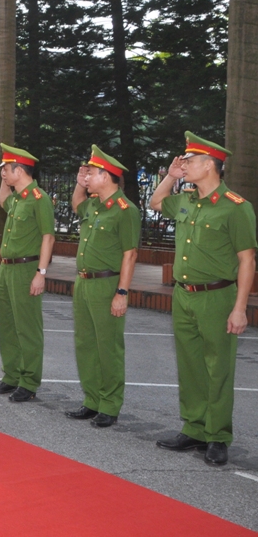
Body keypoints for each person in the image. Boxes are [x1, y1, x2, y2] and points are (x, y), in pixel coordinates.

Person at [151, 132, 256, 466]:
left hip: (217, 296)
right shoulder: (186, 200)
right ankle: (194, 428)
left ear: (210, 165)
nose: (185, 164)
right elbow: (155, 203)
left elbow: (247, 260)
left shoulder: (236, 207)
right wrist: (170, 175)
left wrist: (240, 307)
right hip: (184, 295)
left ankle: (218, 435)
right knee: (191, 364)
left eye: (190, 160)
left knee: (218, 368)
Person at [64, 145, 140, 429]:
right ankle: (92, 400)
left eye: (92, 174)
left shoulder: (125, 210)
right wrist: (78, 183)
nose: (87, 178)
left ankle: (109, 405)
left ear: (107, 177)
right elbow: (75, 204)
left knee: (107, 346)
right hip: (83, 282)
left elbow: (129, 254)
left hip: (107, 283)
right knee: (86, 344)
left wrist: (122, 292)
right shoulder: (94, 204)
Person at [0, 144, 55, 402]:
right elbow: (2, 200)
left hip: (27, 268)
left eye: (6, 169)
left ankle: (29, 381)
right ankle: (11, 376)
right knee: (8, 326)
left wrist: (41, 272)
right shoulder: (17, 199)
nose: (2, 173)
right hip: (7, 268)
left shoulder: (39, 198)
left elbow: (48, 236)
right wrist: (5, 180)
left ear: (20, 170)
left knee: (27, 327)